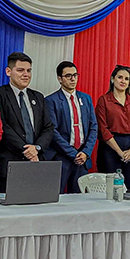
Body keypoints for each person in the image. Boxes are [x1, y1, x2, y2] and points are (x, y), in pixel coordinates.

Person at [0, 52, 54, 192]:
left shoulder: (38, 97)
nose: (26, 74)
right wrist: (26, 149)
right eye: (20, 70)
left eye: (29, 70)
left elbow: (48, 127)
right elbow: (2, 127)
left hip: (36, 162)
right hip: (9, 163)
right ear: (8, 71)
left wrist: (36, 148)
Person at [45, 61, 98, 193]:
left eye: (75, 75)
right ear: (59, 79)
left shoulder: (86, 99)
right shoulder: (51, 100)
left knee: (79, 200)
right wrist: (73, 154)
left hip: (83, 157)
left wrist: (85, 152)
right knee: (57, 197)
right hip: (62, 157)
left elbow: (93, 127)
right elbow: (53, 131)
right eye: (68, 76)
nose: (73, 79)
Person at [95, 65, 130, 190]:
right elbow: (102, 129)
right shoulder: (104, 100)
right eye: (120, 77)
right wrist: (119, 152)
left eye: (127, 79)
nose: (123, 81)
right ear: (113, 79)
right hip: (110, 148)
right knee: (111, 187)